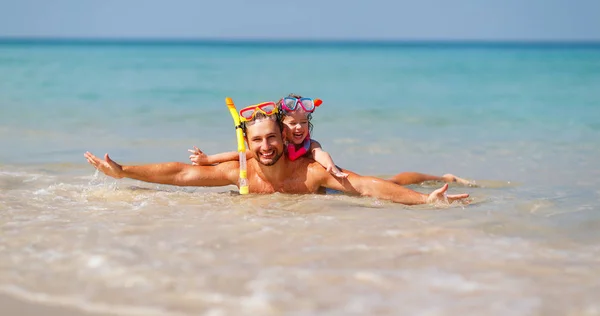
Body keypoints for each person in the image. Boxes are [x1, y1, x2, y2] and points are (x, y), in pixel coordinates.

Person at [84, 101, 469, 206]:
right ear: (249, 144)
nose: (265, 147)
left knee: (390, 181)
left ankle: (440, 177)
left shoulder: (310, 171)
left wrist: (424, 203)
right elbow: (181, 175)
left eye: (271, 139)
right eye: (257, 141)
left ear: (284, 140)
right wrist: (126, 172)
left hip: (330, 188)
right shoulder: (242, 170)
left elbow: (368, 188)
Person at [188, 93, 472, 185]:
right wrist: (207, 160)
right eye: (292, 124)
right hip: (322, 182)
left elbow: (321, 154)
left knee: (391, 183)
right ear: (281, 129)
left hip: (333, 177)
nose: (299, 129)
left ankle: (441, 176)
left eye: (304, 123)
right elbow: (240, 155)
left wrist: (332, 168)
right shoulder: (274, 147)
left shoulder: (309, 145)